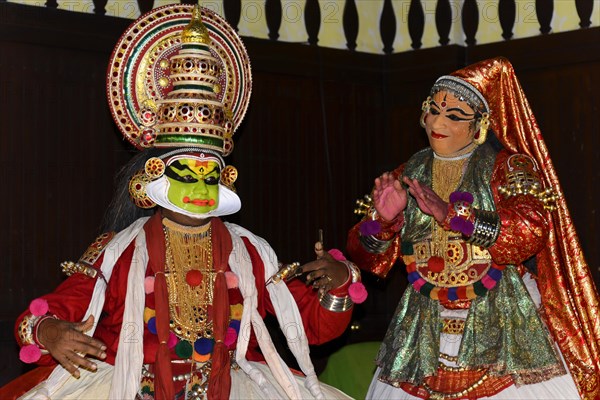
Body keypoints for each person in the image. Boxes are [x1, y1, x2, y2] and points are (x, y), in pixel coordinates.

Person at [1, 5, 364, 400]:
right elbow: (42, 317)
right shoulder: (118, 252)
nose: (199, 188)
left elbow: (311, 326)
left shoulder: (249, 253)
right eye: (186, 174)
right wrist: (50, 332)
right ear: (154, 175)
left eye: (210, 176)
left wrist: (341, 284)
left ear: (226, 180)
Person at [346, 57, 600, 399]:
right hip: (423, 325)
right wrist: (384, 223)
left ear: (480, 124)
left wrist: (453, 216)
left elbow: (530, 231)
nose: (437, 122)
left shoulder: (510, 166)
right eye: (433, 110)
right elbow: (364, 257)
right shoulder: (410, 170)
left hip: (503, 321)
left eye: (453, 116)